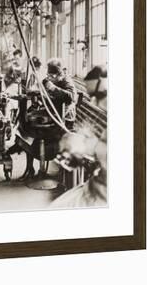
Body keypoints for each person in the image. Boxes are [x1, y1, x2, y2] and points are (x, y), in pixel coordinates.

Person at [50, 65, 108, 208]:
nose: (94, 102)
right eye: (92, 96)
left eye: (98, 95)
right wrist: (80, 147)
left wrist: (88, 146)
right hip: (94, 189)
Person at [42, 58, 77, 130]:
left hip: (65, 119)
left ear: (59, 74)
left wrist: (53, 88)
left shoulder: (66, 81)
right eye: (48, 75)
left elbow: (71, 97)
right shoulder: (55, 80)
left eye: (51, 76)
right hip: (55, 112)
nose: (49, 78)